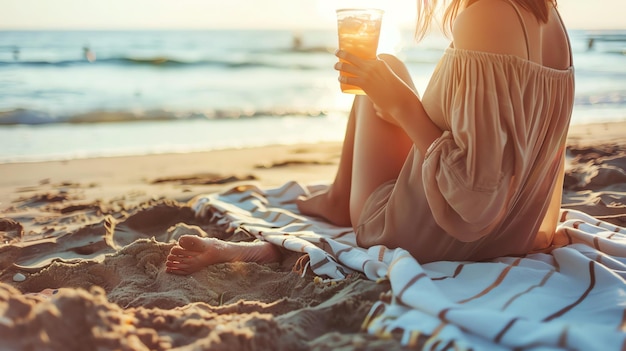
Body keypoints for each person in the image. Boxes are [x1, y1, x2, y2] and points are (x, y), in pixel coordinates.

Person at [166, 0, 574, 275]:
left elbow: (476, 196)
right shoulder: (551, 21)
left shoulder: (486, 14)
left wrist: (402, 106)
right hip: (514, 232)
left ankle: (341, 202)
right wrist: (395, 98)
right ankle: (338, 197)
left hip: (436, 238)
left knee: (381, 74)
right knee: (383, 67)